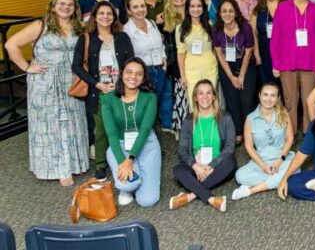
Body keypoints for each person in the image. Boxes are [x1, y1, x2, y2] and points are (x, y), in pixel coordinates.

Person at [5, 0, 89, 186]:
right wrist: (27, 67)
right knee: (52, 125)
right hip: (45, 83)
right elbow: (11, 45)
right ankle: (59, 169)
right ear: (53, 6)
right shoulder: (40, 26)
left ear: (75, 8)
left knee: (72, 122)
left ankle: (75, 163)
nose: (66, 7)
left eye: (70, 4)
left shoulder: (78, 27)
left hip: (71, 81)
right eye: (61, 3)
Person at [73, 1, 134, 181]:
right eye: (101, 13)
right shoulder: (86, 38)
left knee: (125, 126)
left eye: (109, 14)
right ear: (95, 16)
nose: (105, 17)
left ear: (114, 17)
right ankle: (100, 164)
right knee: (101, 130)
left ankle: (127, 159)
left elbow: (131, 62)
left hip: (121, 90)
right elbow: (76, 66)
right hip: (99, 92)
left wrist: (124, 84)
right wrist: (96, 84)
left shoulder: (122, 37)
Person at [271, 0, 315, 136]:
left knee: (309, 100)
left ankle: (308, 132)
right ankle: (290, 133)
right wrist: (275, 63)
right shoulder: (282, 7)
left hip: (310, 62)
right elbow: (275, 38)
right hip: (287, 63)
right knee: (290, 101)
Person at [100, 57, 161, 207]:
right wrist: (123, 161)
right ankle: (128, 188)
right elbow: (112, 134)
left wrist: (131, 159)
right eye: (129, 72)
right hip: (119, 145)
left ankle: (138, 177)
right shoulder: (107, 99)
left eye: (139, 74)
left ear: (143, 77)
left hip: (147, 144)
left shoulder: (150, 97)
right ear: (121, 73)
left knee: (148, 201)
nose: (133, 77)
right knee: (128, 184)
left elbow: (145, 130)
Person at [169, 79, 235, 212]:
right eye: (201, 93)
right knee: (178, 170)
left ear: (214, 96)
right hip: (196, 168)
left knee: (230, 162)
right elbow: (181, 151)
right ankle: (211, 199)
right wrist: (195, 165)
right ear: (195, 97)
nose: (205, 97)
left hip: (218, 167)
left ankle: (190, 196)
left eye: (208, 93)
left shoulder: (225, 117)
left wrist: (212, 165)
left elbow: (230, 147)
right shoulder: (189, 120)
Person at [232, 82, 297, 200]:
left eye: (273, 96)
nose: (268, 99)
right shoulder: (250, 119)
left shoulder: (284, 114)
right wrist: (264, 167)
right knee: (239, 175)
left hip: (282, 158)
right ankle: (279, 180)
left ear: (278, 99)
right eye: (265, 95)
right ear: (259, 95)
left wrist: (278, 162)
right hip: (261, 161)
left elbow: (290, 139)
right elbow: (249, 146)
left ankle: (251, 190)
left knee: (296, 167)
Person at [123, 0, 172, 132]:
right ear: (128, 10)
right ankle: (148, 142)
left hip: (159, 68)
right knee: (145, 107)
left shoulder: (152, 23)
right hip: (143, 73)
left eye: (142, 6)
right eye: (135, 7)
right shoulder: (126, 31)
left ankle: (155, 137)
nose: (140, 9)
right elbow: (128, 57)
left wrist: (164, 60)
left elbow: (160, 45)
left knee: (157, 103)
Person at [213, 0, 256, 143]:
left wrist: (242, 75)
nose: (227, 14)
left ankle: (250, 131)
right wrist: (231, 77)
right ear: (219, 13)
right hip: (227, 67)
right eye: (224, 11)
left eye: (231, 10)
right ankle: (238, 131)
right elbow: (219, 54)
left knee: (247, 100)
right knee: (232, 101)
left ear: (236, 12)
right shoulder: (216, 29)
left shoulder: (245, 27)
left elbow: (249, 51)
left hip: (246, 65)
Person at [176, 0, 218, 110]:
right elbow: (180, 53)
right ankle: (196, 127)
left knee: (211, 100)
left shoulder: (211, 25)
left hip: (210, 68)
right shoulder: (180, 28)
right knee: (194, 101)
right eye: (192, 6)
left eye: (199, 6)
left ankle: (212, 127)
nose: (196, 9)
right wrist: (182, 75)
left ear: (204, 8)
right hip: (191, 71)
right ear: (188, 9)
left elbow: (216, 49)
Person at [163, 0, 190, 132]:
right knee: (181, 96)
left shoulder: (195, 12)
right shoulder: (165, 18)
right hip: (176, 63)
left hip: (194, 60)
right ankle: (182, 128)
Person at [251, 0, 281, 85]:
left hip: (284, 53)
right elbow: (253, 34)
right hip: (265, 54)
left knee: (286, 88)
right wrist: (257, 54)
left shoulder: (286, 7)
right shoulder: (257, 10)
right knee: (268, 85)